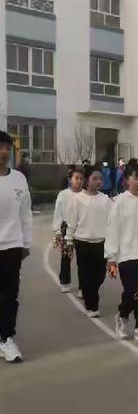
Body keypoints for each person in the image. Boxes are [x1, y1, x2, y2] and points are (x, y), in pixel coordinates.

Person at [105, 162, 138, 343]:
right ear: (127, 180)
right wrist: (111, 257)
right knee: (132, 292)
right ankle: (122, 315)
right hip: (127, 256)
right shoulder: (119, 202)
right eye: (135, 178)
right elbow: (113, 230)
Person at [0, 131, 32, 363]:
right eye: (0, 147)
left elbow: (26, 215)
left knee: (10, 296)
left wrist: (26, 243)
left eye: (7, 148)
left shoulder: (19, 179)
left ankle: (6, 338)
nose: (3, 152)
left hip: (12, 246)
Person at [66, 165, 112, 318]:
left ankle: (91, 294)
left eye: (101, 178)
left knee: (99, 275)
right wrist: (69, 240)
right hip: (83, 242)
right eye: (95, 178)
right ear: (87, 180)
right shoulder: (78, 199)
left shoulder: (105, 200)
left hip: (101, 243)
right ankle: (92, 305)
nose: (99, 181)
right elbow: (72, 222)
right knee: (86, 275)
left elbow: (113, 221)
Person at [52, 167, 85, 294]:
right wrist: (57, 230)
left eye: (81, 179)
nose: (79, 181)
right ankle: (64, 281)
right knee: (66, 256)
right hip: (67, 229)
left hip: (82, 230)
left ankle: (83, 287)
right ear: (70, 180)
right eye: (76, 178)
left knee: (83, 261)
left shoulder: (85, 195)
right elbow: (58, 213)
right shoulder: (63, 195)